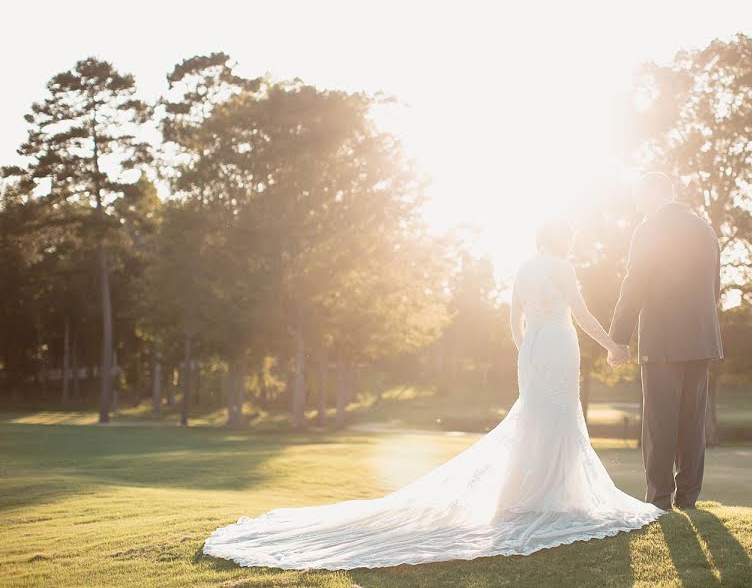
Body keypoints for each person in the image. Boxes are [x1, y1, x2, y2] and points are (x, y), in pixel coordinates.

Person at [202, 218, 663, 570]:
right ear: (564, 242)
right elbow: (580, 312)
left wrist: (528, 351)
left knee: (536, 419)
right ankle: (552, 497)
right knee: (557, 419)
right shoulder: (562, 267)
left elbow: (512, 320)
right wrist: (614, 346)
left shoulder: (524, 269)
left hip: (535, 350)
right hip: (559, 345)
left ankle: (531, 496)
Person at [608, 172, 723, 510]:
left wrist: (618, 338)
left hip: (661, 339)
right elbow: (714, 288)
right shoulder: (704, 228)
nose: (636, 204)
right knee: (692, 421)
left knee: (660, 422)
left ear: (653, 194)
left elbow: (635, 283)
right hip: (701, 339)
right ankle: (688, 499)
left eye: (638, 196)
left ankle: (658, 500)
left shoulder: (648, 229)